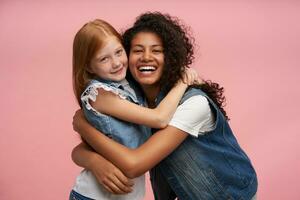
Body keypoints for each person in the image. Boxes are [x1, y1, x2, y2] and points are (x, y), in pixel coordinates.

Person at [72, 12, 258, 200]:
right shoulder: (132, 97)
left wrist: (82, 125)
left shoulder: (194, 104)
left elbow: (134, 163)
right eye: (137, 50)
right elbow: (81, 150)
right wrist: (94, 161)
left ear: (170, 56)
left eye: (156, 50)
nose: (146, 57)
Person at [70, 19, 199, 200]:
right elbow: (159, 118)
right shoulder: (99, 93)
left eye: (118, 52)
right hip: (93, 196)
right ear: (89, 67)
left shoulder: (129, 85)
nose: (116, 63)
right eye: (104, 59)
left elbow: (82, 150)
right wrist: (183, 82)